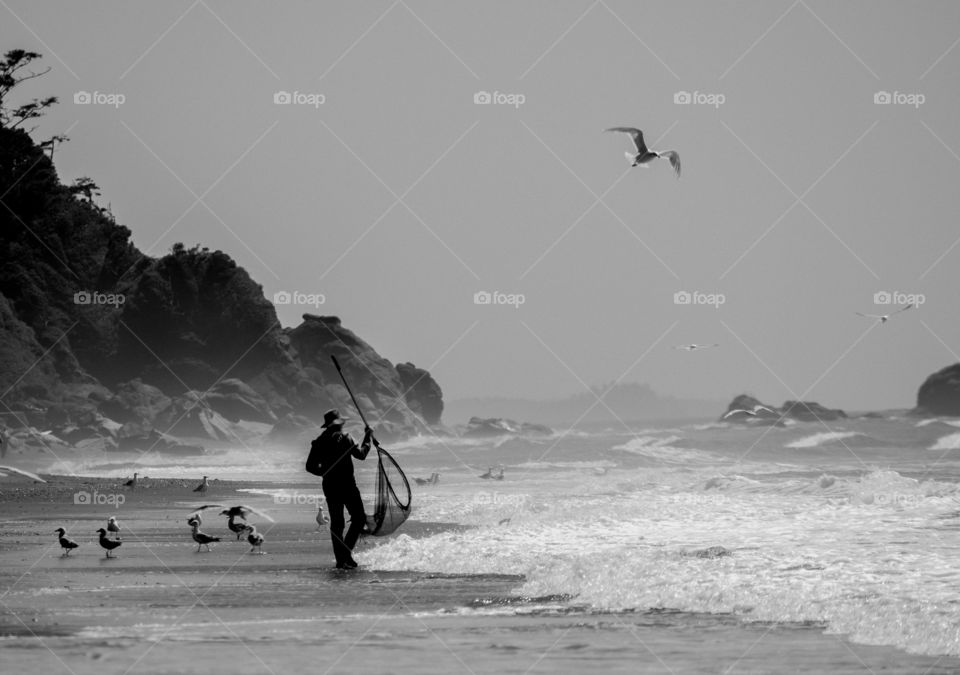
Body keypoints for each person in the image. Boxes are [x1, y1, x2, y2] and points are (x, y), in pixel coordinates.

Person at [305, 409, 373, 569]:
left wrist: (325, 473)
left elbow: (309, 467)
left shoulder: (319, 441)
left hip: (329, 485)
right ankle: (345, 554)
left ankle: (341, 559)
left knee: (337, 523)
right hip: (348, 485)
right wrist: (368, 437)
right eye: (342, 422)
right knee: (358, 519)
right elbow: (361, 455)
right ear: (339, 424)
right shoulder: (346, 438)